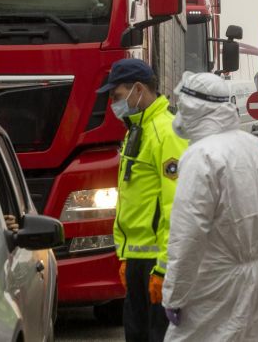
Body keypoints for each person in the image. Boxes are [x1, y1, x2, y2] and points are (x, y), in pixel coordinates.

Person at [162, 72, 258, 341]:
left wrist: (174, 294)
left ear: (193, 107)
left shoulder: (202, 156)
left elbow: (188, 235)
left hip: (214, 284)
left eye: (181, 105)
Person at [97, 59, 188, 342]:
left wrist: (164, 267)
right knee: (137, 335)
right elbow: (133, 197)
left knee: (156, 336)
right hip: (138, 261)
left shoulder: (166, 132)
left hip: (155, 262)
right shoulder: (137, 130)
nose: (113, 104)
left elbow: (176, 206)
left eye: (117, 96)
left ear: (138, 89)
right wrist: (126, 256)